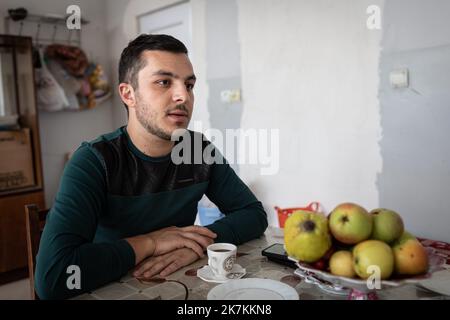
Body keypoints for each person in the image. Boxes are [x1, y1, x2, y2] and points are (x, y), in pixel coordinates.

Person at [35, 34, 268, 299]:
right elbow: (53, 278)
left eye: (189, 85)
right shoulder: (93, 161)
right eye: (163, 82)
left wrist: (196, 245)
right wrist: (151, 242)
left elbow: (253, 214)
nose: (183, 96)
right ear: (128, 94)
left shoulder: (196, 151)